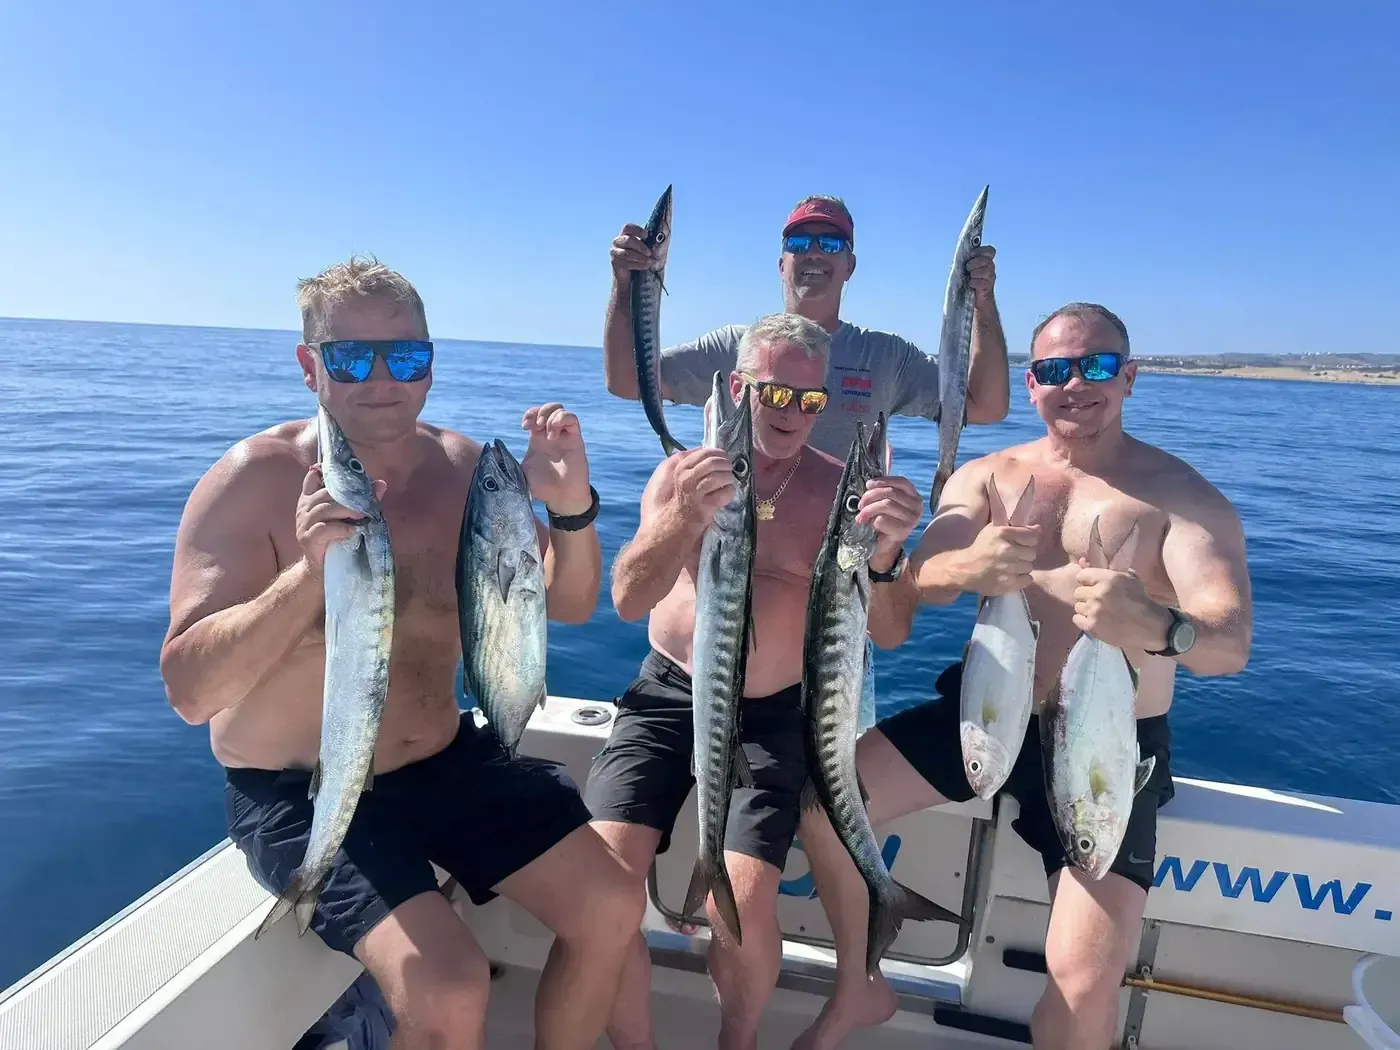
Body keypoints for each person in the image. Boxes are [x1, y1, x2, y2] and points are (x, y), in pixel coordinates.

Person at [158, 255, 643, 1050]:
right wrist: (305, 575)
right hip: (301, 791)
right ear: (309, 364)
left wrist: (572, 510)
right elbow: (189, 689)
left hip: (446, 761)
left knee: (613, 906)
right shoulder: (255, 479)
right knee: (448, 987)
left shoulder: (464, 471)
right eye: (351, 357)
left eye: (406, 355)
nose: (383, 379)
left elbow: (570, 602)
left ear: (431, 359)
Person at [790, 302, 1253, 1050]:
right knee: (824, 812)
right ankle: (857, 988)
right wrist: (968, 566)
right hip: (984, 710)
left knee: (1082, 986)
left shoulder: (1184, 500)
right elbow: (915, 579)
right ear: (1030, 384)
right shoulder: (988, 476)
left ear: (1130, 377)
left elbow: (1229, 643)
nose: (1076, 384)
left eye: (1097, 365)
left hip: (1107, 749)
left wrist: (1161, 628)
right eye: (1053, 370)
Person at [584, 313, 927, 1050]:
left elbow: (892, 631)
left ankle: (736, 1045)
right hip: (667, 700)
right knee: (603, 894)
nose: (790, 415)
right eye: (774, 394)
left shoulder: (846, 493)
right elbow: (627, 597)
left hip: (775, 717)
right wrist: (682, 516)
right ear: (737, 388)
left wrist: (891, 554)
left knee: (738, 905)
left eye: (809, 402)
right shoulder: (681, 473)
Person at [605, 193, 1011, 733]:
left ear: (850, 265)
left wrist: (981, 303)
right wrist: (626, 284)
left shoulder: (884, 356)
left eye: (831, 242)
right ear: (781, 261)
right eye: (799, 241)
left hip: (838, 605)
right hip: (724, 585)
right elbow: (628, 380)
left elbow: (984, 405)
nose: (814, 252)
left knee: (825, 798)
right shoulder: (735, 346)